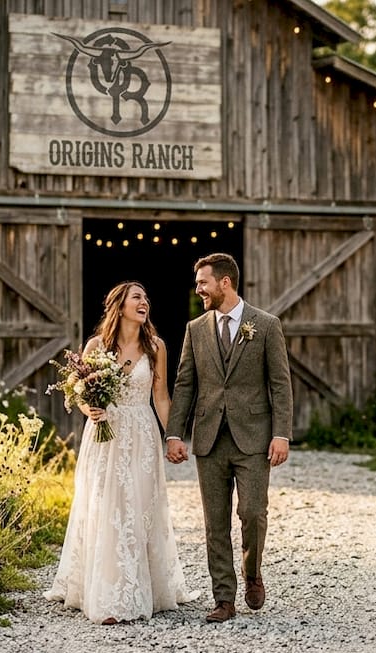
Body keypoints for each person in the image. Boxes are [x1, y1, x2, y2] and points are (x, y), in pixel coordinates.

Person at [45, 281, 198, 624]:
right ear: (120, 305)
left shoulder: (156, 346)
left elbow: (160, 396)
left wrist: (173, 436)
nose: (145, 302)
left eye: (146, 297)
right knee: (108, 507)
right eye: (137, 297)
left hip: (142, 434)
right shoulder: (97, 345)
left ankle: (145, 587)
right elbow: (81, 391)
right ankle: (109, 592)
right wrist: (89, 410)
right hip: (105, 437)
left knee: (140, 508)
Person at [165, 253, 293, 624]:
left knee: (253, 513)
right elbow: (185, 383)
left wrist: (281, 434)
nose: (198, 289)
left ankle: (253, 573)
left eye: (203, 282)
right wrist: (175, 432)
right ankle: (224, 597)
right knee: (214, 522)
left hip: (253, 438)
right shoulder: (195, 329)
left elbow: (280, 384)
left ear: (225, 282)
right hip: (208, 439)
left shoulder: (266, 326)